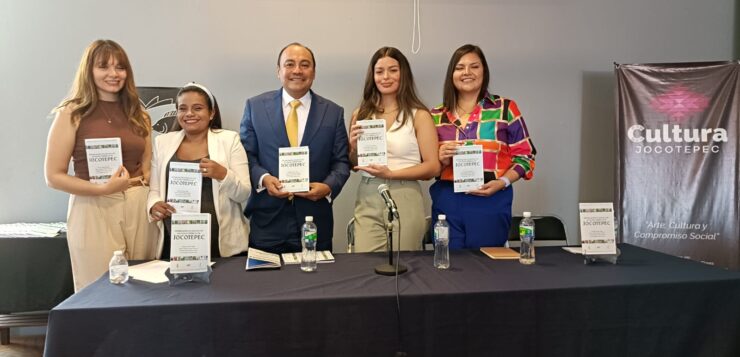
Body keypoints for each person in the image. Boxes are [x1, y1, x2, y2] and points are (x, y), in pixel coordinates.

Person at [44, 39, 158, 291]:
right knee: (98, 289)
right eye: (103, 67)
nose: (113, 74)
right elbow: (53, 176)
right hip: (93, 205)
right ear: (89, 70)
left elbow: (148, 165)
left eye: (120, 67)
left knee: (144, 284)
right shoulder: (71, 113)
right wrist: (102, 189)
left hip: (138, 204)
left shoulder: (140, 115)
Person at [240, 42, 350, 254]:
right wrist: (263, 178)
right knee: (265, 284)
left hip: (315, 218)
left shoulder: (333, 112)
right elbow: (247, 155)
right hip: (267, 218)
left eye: (304, 65)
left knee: (315, 282)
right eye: (289, 64)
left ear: (314, 72)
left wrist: (327, 187)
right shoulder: (255, 107)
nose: (297, 70)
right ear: (278, 71)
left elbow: (341, 161)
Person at [431, 44, 536, 249]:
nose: (467, 72)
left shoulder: (505, 108)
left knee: (488, 270)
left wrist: (503, 182)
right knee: (447, 267)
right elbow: (426, 164)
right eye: (460, 67)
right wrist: (441, 158)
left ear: (484, 71)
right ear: (451, 74)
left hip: (491, 198)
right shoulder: (435, 115)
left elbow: (526, 156)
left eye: (474, 67)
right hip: (448, 200)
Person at [348, 47, 439, 252]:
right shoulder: (360, 114)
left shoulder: (419, 115)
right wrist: (353, 148)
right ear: (373, 76)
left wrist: (391, 173)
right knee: (366, 265)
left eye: (393, 70)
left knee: (405, 265)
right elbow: (354, 163)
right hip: (368, 193)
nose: (386, 77)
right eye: (379, 71)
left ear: (403, 73)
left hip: (404, 192)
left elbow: (433, 167)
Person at [147, 83, 250, 259]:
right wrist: (154, 205)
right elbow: (154, 190)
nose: (189, 114)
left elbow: (244, 193)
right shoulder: (162, 142)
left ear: (211, 113)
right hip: (176, 241)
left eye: (198, 108)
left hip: (220, 242)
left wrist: (223, 175)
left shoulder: (229, 140)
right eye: (182, 108)